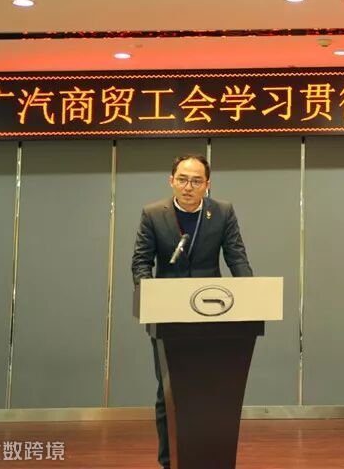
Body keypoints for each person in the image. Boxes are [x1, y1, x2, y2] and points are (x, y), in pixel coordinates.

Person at [131, 154, 254, 469]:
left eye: (197, 181)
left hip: (212, 317)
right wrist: (148, 295)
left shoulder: (222, 212)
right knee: (169, 392)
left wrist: (251, 295)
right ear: (171, 180)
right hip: (167, 317)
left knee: (211, 391)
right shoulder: (152, 214)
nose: (189, 187)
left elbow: (236, 257)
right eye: (183, 179)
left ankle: (209, 458)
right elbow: (141, 262)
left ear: (207, 184)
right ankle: (168, 461)